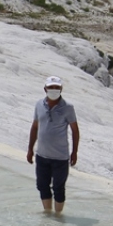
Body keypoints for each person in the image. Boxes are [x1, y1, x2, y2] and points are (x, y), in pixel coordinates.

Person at [26, 76, 80, 214]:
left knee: (58, 187)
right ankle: (48, 213)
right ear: (45, 89)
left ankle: (58, 215)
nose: (54, 90)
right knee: (42, 185)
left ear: (61, 89)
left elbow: (75, 130)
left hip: (60, 157)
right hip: (42, 155)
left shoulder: (68, 108)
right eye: (51, 87)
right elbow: (35, 126)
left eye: (57, 87)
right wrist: (30, 149)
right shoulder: (39, 105)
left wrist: (74, 152)